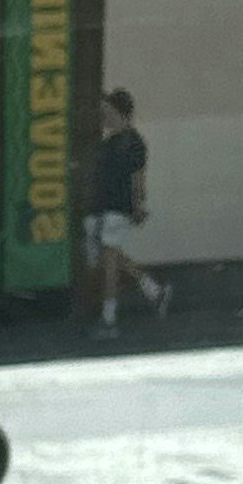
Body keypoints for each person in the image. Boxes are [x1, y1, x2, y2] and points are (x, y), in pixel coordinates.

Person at [84, 79, 163, 328]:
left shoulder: (131, 143)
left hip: (117, 208)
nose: (105, 118)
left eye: (108, 113)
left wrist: (138, 205)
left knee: (108, 258)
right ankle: (150, 288)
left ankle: (110, 315)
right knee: (110, 255)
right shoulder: (116, 142)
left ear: (120, 114)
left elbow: (138, 178)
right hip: (107, 208)